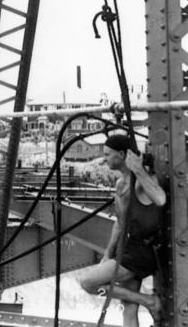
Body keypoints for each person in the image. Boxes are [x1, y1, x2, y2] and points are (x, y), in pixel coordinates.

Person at [79, 133, 165, 327]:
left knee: (88, 283)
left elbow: (160, 199)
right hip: (129, 247)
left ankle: (150, 302)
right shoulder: (121, 184)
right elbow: (120, 222)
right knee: (129, 306)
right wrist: (108, 253)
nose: (104, 158)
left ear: (121, 154)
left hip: (142, 252)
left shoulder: (141, 181)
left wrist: (139, 170)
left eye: (108, 154)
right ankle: (145, 301)